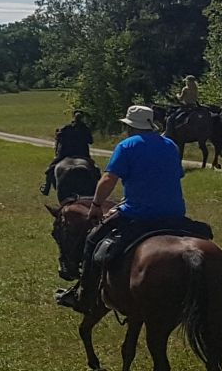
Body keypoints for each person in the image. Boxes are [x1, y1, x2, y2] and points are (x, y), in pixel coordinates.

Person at [58, 105, 211, 314]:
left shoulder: (126, 146)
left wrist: (95, 206)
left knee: (93, 240)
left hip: (138, 214)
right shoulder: (170, 146)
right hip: (174, 213)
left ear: (130, 127)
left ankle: (84, 296)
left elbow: (109, 179)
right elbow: (171, 176)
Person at [42, 111, 96, 197]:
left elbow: (58, 137)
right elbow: (91, 141)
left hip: (65, 154)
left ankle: (46, 187)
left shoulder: (66, 128)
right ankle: (96, 188)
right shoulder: (85, 128)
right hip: (82, 154)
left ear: (73, 118)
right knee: (95, 170)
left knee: (50, 168)